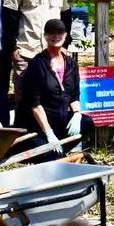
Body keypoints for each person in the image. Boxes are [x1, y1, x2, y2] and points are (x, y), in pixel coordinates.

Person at [3, 0, 70, 124]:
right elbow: (10, 17)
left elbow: (65, 14)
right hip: (27, 50)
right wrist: (12, 46)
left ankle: (48, 138)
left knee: (52, 97)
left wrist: (66, 44)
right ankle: (22, 142)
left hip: (53, 52)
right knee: (24, 97)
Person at [15, 20, 89, 154]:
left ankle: (60, 151)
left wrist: (77, 114)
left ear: (65, 35)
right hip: (36, 127)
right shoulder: (37, 64)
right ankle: (53, 151)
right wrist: (48, 133)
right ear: (45, 36)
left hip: (58, 121)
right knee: (51, 157)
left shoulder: (71, 64)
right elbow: (34, 104)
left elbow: (74, 96)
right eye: (51, 33)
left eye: (60, 33)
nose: (56, 36)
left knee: (87, 122)